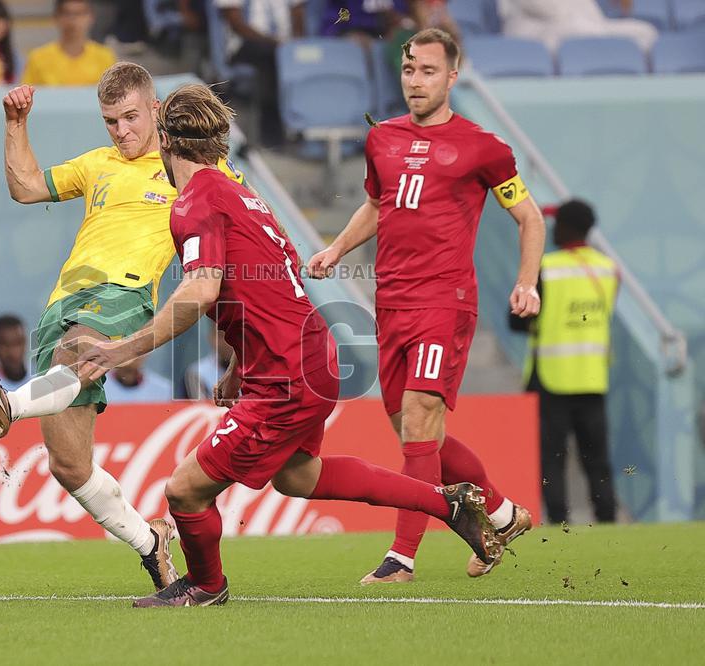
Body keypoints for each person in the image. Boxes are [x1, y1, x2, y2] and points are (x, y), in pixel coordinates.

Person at [75, 83, 499, 607]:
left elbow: (202, 290)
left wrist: (125, 348)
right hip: (310, 353)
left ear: (164, 138)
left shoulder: (194, 202)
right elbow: (264, 285)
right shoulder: (243, 195)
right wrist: (240, 364)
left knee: (184, 491)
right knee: (299, 477)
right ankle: (449, 504)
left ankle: (207, 586)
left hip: (287, 373)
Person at [0, 62, 246, 592]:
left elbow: (248, 217)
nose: (122, 131)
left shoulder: (194, 167)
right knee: (68, 465)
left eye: (131, 118)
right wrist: (16, 123)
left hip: (125, 294)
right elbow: (25, 187)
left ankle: (10, 405)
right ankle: (150, 542)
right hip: (61, 303)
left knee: (80, 351)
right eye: (111, 121)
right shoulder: (98, 164)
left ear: (156, 109)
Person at [308, 28, 546, 583]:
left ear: (452, 77)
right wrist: (338, 248)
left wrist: (527, 281)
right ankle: (505, 515)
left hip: (446, 301)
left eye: (429, 72)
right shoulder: (383, 139)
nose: (416, 82)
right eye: (410, 71)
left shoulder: (483, 147)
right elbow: (377, 204)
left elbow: (530, 216)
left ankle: (402, 557)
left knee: (418, 418)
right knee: (418, 434)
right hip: (390, 302)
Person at [510, 200, 618, 525]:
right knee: (597, 457)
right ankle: (608, 518)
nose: (553, 229)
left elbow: (517, 319)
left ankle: (558, 521)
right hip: (591, 377)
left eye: (557, 223)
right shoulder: (607, 268)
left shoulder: (547, 267)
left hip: (551, 377)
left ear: (569, 227)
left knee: (553, 457)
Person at [215, 0, 306, 146]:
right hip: (246, 45)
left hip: (285, 46)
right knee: (269, 59)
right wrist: (274, 43)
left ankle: (308, 128)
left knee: (311, 56)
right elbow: (235, 22)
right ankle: (270, 133)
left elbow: (298, 11)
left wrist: (295, 44)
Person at [497, 0, 656, 54]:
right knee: (583, 29)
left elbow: (595, 19)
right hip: (535, 32)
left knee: (644, 31)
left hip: (582, 27)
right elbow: (550, 10)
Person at [20, 0, 114, 87]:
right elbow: (26, 96)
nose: (73, 19)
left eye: (79, 13)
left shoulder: (104, 56)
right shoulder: (38, 57)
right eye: (67, 13)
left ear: (91, 17)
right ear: (56, 17)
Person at [184, 320, 234, 400]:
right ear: (210, 337)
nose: (227, 342)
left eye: (231, 335)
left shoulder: (254, 369)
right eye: (220, 336)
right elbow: (201, 409)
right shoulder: (197, 372)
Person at [0, 314, 29, 392]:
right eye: (5, 345)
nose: (12, 352)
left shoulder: (39, 377)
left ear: (25, 342)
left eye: (18, 343)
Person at [103, 355, 172, 404]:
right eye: (128, 347)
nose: (135, 354)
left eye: (141, 348)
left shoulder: (162, 389)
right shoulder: (99, 386)